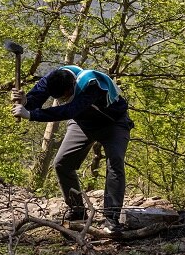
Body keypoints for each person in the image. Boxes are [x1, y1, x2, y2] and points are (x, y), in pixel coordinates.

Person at [11, 65, 132, 234]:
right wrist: (25, 101)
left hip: (114, 123)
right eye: (59, 98)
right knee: (62, 163)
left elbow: (70, 110)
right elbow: (33, 102)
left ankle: (111, 218)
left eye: (65, 96)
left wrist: (32, 115)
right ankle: (78, 211)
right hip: (82, 123)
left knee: (115, 163)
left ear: (73, 84)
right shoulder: (52, 78)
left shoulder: (91, 83)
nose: (62, 100)